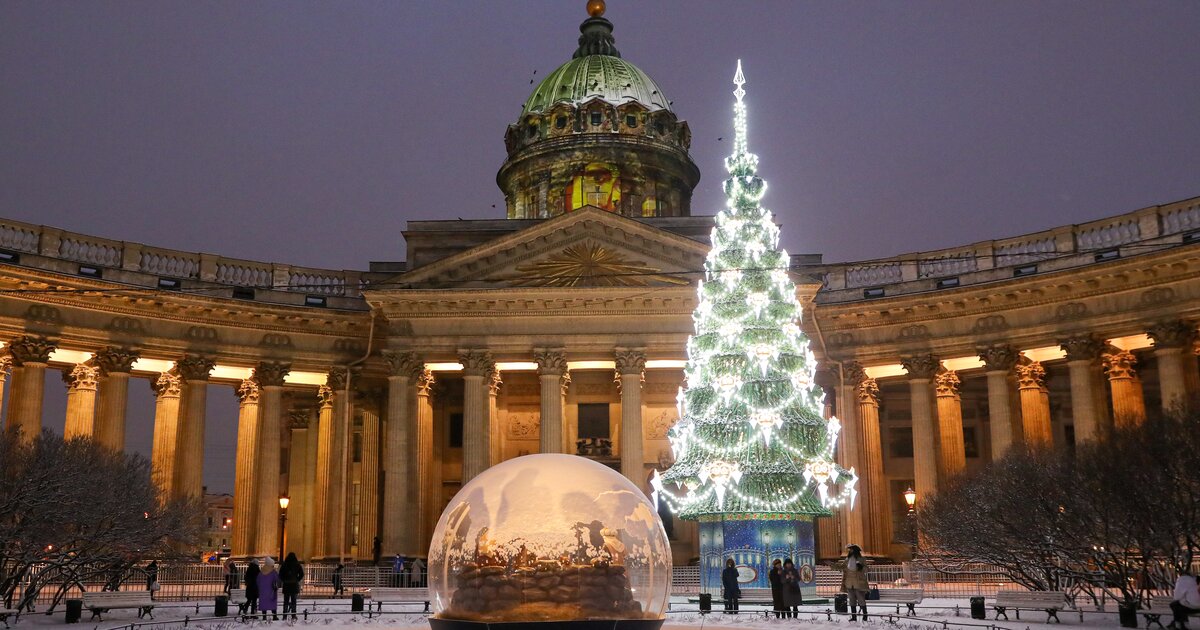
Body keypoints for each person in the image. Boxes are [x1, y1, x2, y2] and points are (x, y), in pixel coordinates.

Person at [841, 544, 870, 621]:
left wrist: (861, 567)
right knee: (851, 600)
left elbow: (867, 569)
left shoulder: (861, 559)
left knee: (861, 600)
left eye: (851, 549)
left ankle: (865, 615)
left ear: (855, 551)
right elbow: (841, 567)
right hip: (849, 583)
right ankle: (854, 617)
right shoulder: (847, 560)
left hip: (858, 583)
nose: (850, 551)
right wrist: (832, 565)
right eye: (849, 550)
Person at [279, 553, 304, 621]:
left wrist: (284, 580)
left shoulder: (284, 564)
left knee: (286, 602)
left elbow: (280, 574)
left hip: (286, 585)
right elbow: (302, 574)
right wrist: (297, 579)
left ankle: (284, 616)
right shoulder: (297, 564)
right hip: (294, 585)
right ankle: (293, 615)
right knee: (294, 601)